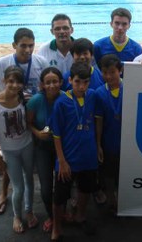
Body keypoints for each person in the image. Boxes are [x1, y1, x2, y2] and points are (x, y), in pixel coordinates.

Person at [0, 27, 48, 216]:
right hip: (13, 114)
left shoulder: (40, 62)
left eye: (31, 45)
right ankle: (4, 192)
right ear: (14, 45)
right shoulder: (2, 63)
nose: (28, 50)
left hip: (32, 117)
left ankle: (33, 200)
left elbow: (46, 86)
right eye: (23, 46)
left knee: (29, 160)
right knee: (10, 161)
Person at [50, 62, 103, 241]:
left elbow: (97, 122)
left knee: (85, 189)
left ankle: (80, 215)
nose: (82, 86)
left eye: (86, 82)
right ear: (70, 80)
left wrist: (98, 146)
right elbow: (56, 134)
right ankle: (56, 228)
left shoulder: (93, 96)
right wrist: (61, 161)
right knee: (60, 196)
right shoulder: (61, 103)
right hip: (67, 158)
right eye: (78, 82)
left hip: (88, 155)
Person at [0, 66, 38, 233]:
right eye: (11, 81)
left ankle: (29, 211)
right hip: (9, 151)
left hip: (27, 145)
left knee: (29, 180)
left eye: (19, 82)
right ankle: (17, 215)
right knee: (18, 186)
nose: (15, 85)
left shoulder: (25, 98)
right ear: (3, 82)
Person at [26, 67, 63, 233]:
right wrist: (37, 133)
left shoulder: (65, 98)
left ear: (61, 82)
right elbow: (28, 123)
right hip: (43, 148)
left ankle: (62, 213)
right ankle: (52, 216)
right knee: (46, 188)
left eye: (55, 81)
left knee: (64, 184)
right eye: (48, 82)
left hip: (62, 148)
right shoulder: (35, 101)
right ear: (42, 84)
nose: (52, 85)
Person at [95, 54, 124, 214]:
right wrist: (98, 144)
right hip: (108, 140)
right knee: (108, 172)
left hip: (126, 140)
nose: (108, 76)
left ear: (120, 71)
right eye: (104, 72)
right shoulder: (99, 93)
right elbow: (98, 121)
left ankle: (123, 199)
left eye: (112, 72)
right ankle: (111, 199)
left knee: (123, 171)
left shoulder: (130, 87)